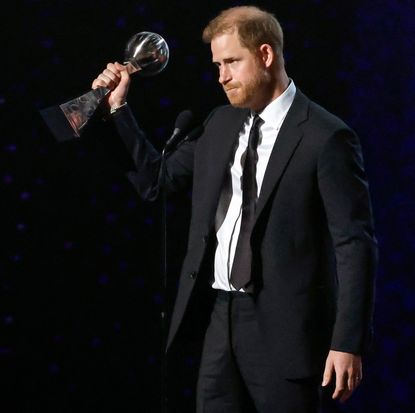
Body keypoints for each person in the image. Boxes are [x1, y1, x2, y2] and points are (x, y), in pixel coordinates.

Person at [92, 5, 377, 413]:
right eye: (217, 64)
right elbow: (159, 181)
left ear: (265, 55)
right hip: (220, 320)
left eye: (230, 62)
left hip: (287, 332)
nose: (221, 75)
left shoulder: (326, 137)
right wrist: (118, 109)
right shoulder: (220, 123)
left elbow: (355, 245)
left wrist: (347, 342)